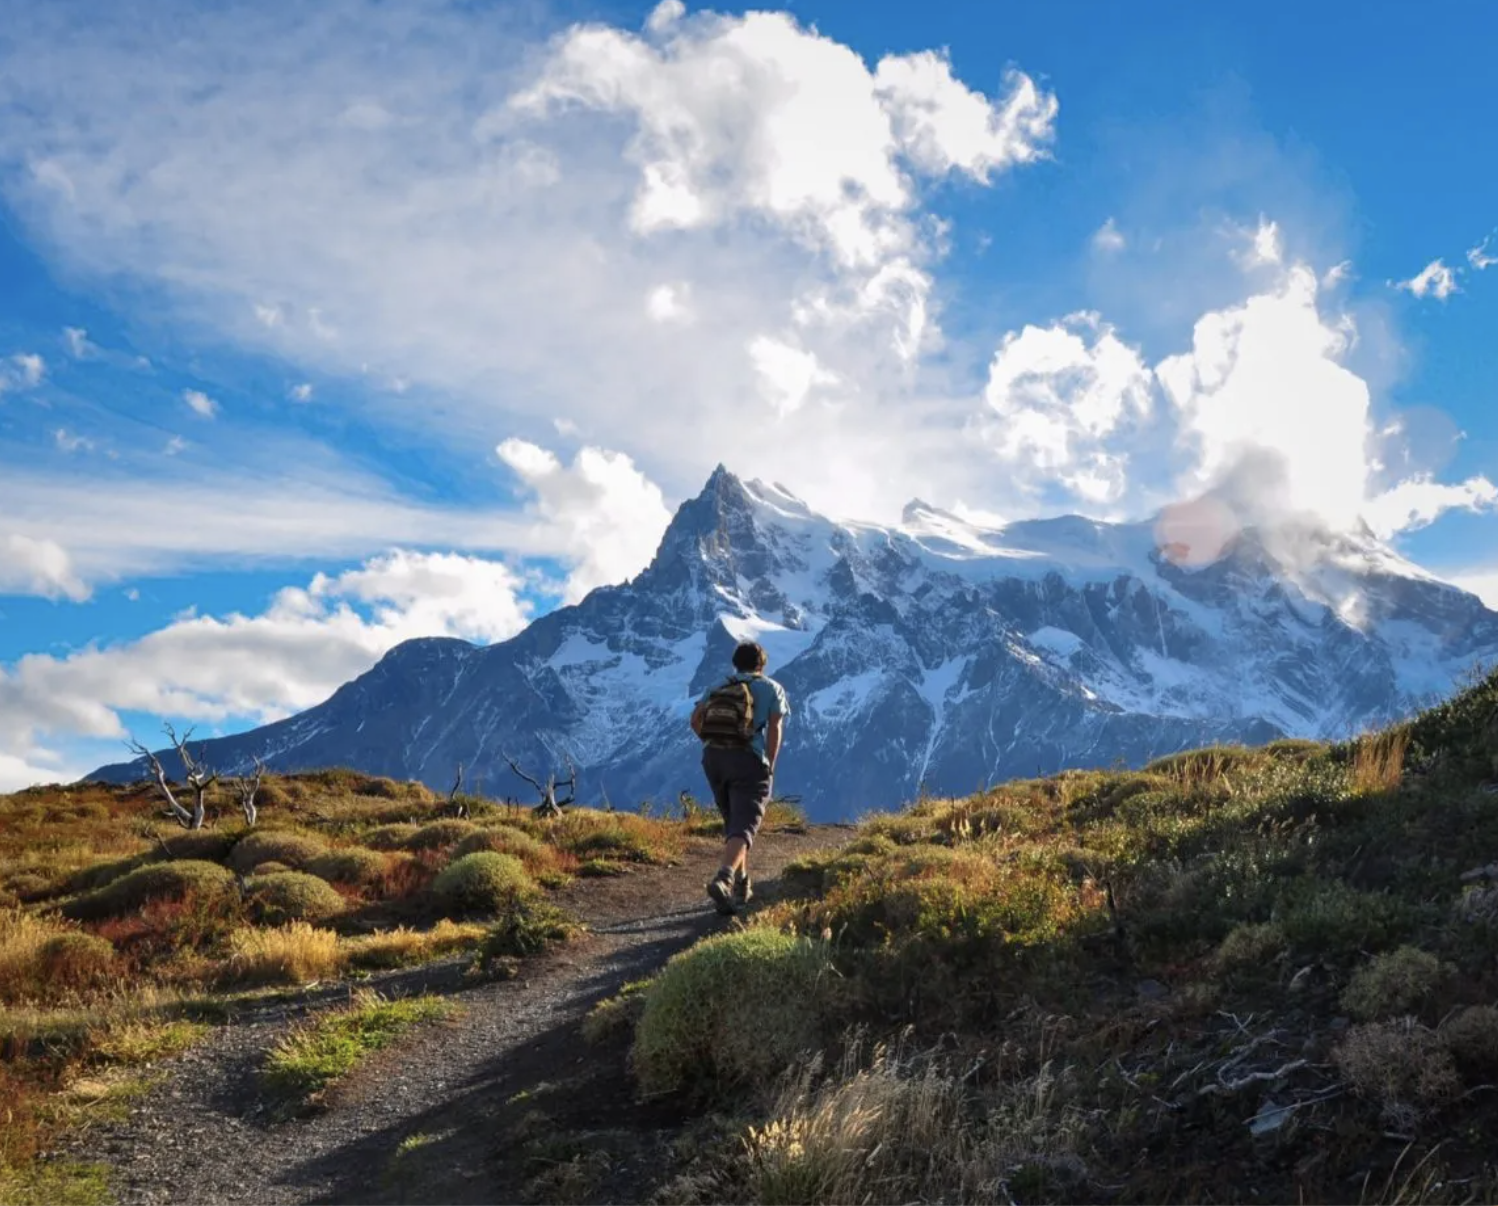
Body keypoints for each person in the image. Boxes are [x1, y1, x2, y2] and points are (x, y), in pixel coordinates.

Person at [689, 640, 791, 915]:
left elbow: (695, 719)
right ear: (762, 664)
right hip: (749, 760)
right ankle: (724, 878)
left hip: (714, 759)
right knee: (744, 824)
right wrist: (769, 762)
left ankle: (741, 884)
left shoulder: (718, 686)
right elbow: (774, 728)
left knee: (733, 821)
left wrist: (711, 741)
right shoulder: (771, 688)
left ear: (736, 663)